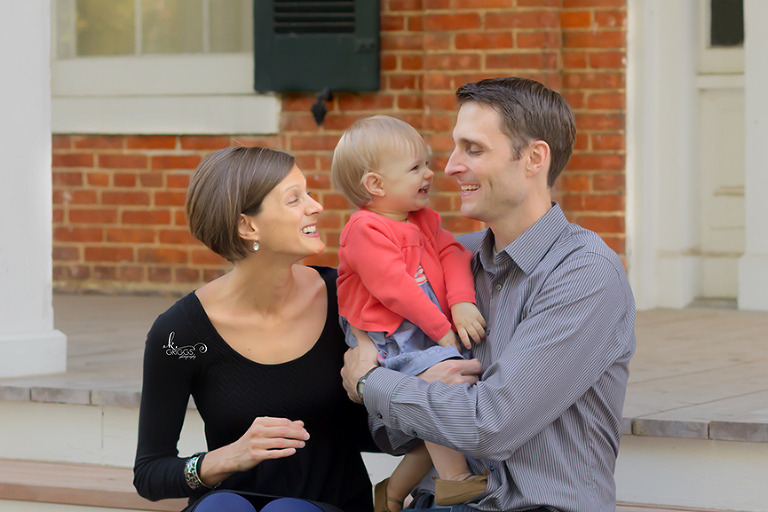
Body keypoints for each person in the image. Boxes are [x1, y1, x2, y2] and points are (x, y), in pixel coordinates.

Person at [341, 77, 637, 512]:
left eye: (473, 149)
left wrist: (373, 382)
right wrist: (412, 385)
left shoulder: (583, 273)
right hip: (434, 501)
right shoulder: (449, 260)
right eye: (455, 147)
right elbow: (390, 432)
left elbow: (491, 425)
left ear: (534, 158)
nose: (450, 167)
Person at [133, 146, 376, 512]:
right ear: (248, 226)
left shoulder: (345, 298)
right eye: (295, 199)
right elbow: (150, 474)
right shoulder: (179, 334)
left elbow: (383, 436)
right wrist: (226, 458)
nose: (315, 206)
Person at [330, 116, 488, 512]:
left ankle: (391, 493)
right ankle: (454, 479)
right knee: (440, 396)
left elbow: (453, 254)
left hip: (422, 327)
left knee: (438, 418)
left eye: (426, 164)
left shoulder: (424, 220)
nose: (430, 174)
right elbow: (394, 289)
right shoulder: (364, 229)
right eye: (415, 168)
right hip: (386, 332)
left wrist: (461, 302)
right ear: (376, 185)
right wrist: (442, 331)